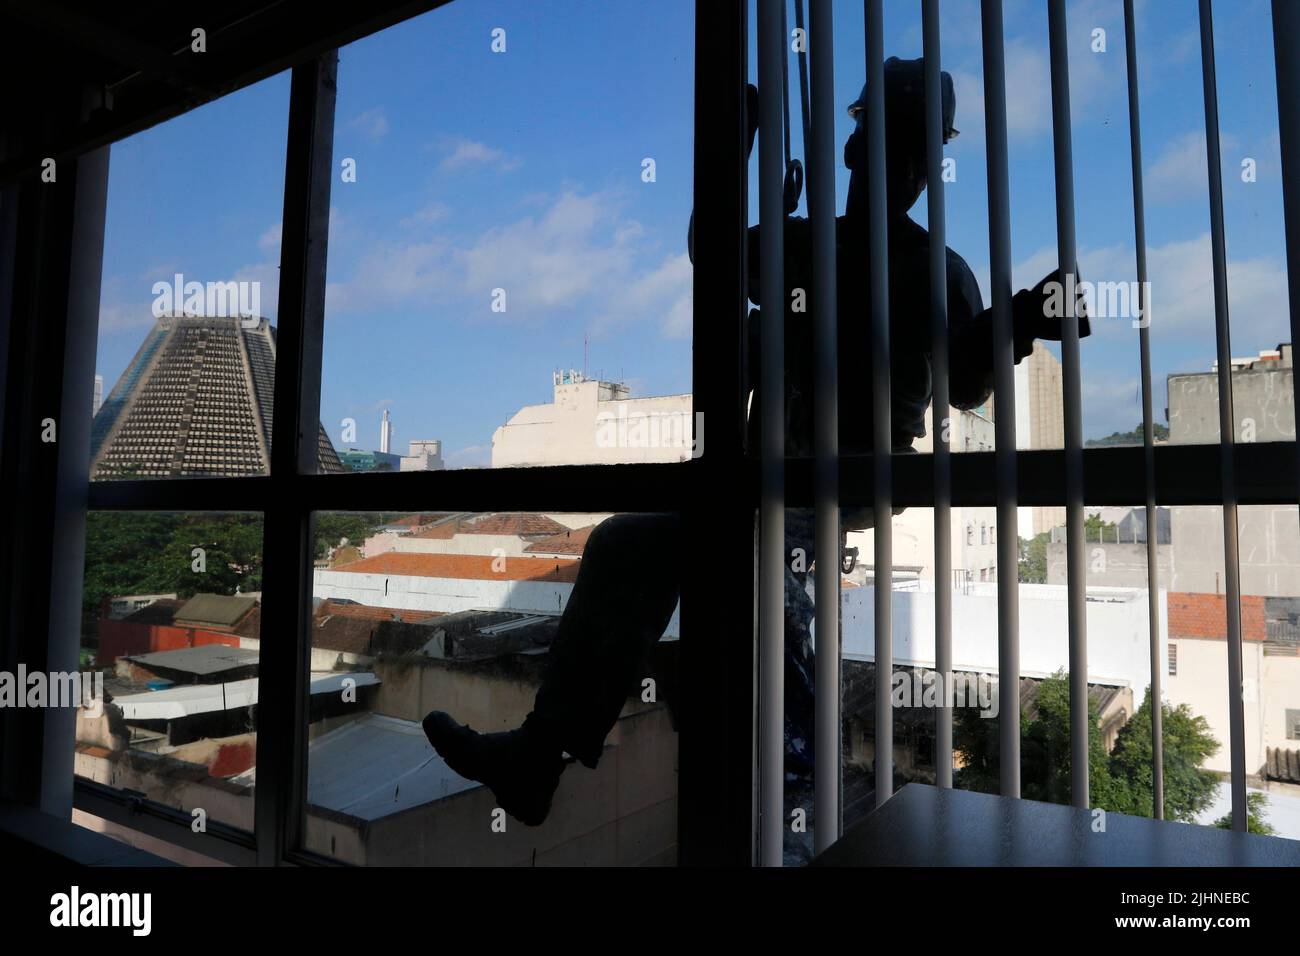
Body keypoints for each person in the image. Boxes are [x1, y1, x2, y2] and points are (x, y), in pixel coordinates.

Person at [423, 56, 1088, 826]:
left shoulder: (916, 268)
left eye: (913, 149)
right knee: (671, 564)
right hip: (791, 484)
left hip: (831, 488)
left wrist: (1021, 322)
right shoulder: (853, 256)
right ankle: (717, 782)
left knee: (690, 567)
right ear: (857, 151)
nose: (904, 165)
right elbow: (720, 257)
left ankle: (590, 764)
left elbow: (965, 378)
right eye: (895, 142)